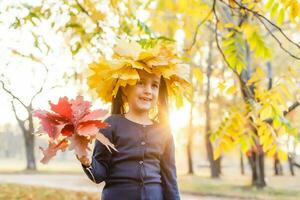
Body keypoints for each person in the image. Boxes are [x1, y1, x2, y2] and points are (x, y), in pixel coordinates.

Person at [76, 40, 192, 200]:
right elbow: (99, 175)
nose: (148, 91)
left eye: (154, 85)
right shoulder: (111, 125)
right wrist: (87, 161)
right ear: (125, 89)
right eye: (140, 83)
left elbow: (170, 180)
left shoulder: (164, 131)